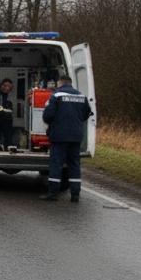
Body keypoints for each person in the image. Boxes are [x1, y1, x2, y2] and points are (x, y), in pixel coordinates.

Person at [40, 74, 92, 202]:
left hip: (59, 136)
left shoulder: (56, 95)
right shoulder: (81, 96)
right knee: (74, 165)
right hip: (76, 136)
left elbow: (48, 115)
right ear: (70, 83)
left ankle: (53, 193)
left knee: (56, 164)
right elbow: (86, 114)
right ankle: (75, 195)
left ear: (60, 83)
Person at [0, 78, 16, 148]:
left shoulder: (10, 97)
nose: (6, 88)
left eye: (9, 86)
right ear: (1, 85)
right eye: (5, 85)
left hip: (6, 119)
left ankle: (7, 145)